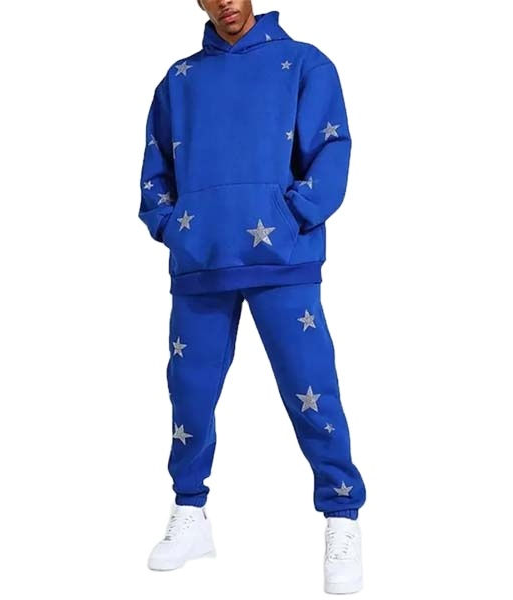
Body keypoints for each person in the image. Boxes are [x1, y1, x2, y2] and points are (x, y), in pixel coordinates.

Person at [139, 1, 366, 593]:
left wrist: (292, 217)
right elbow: (155, 171)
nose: (225, 2)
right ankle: (190, 511)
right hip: (201, 262)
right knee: (189, 393)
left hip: (282, 260)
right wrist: (174, 227)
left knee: (311, 389)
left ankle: (342, 514)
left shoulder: (304, 64)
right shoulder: (179, 79)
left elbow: (332, 150)